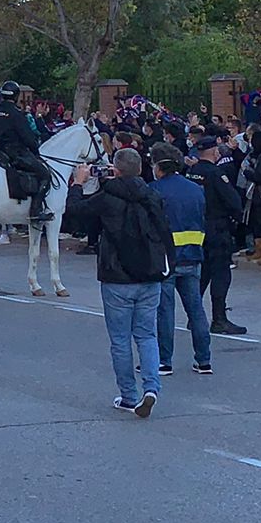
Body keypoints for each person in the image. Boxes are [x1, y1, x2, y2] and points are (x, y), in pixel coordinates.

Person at [67, 148, 171, 418]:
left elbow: (76, 211)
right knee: (147, 335)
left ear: (116, 169)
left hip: (116, 275)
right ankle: (151, 387)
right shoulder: (152, 195)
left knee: (120, 339)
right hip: (149, 274)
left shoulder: (107, 198)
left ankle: (128, 395)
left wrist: (78, 184)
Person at [149, 146, 212, 377]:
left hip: (166, 259)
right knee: (195, 309)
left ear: (157, 166)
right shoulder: (196, 189)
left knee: (165, 312)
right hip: (193, 255)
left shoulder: (154, 190)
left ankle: (164, 361)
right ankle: (204, 360)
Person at [184, 140, 246, 335]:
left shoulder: (192, 173)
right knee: (220, 273)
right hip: (217, 228)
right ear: (213, 151)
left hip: (196, 228)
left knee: (202, 274)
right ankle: (219, 318)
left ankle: (194, 317)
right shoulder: (216, 173)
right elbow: (233, 201)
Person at [0, 82, 52, 222]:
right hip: (16, 153)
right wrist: (36, 151)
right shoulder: (16, 114)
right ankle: (35, 211)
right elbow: (27, 137)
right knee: (45, 175)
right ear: (16, 96)